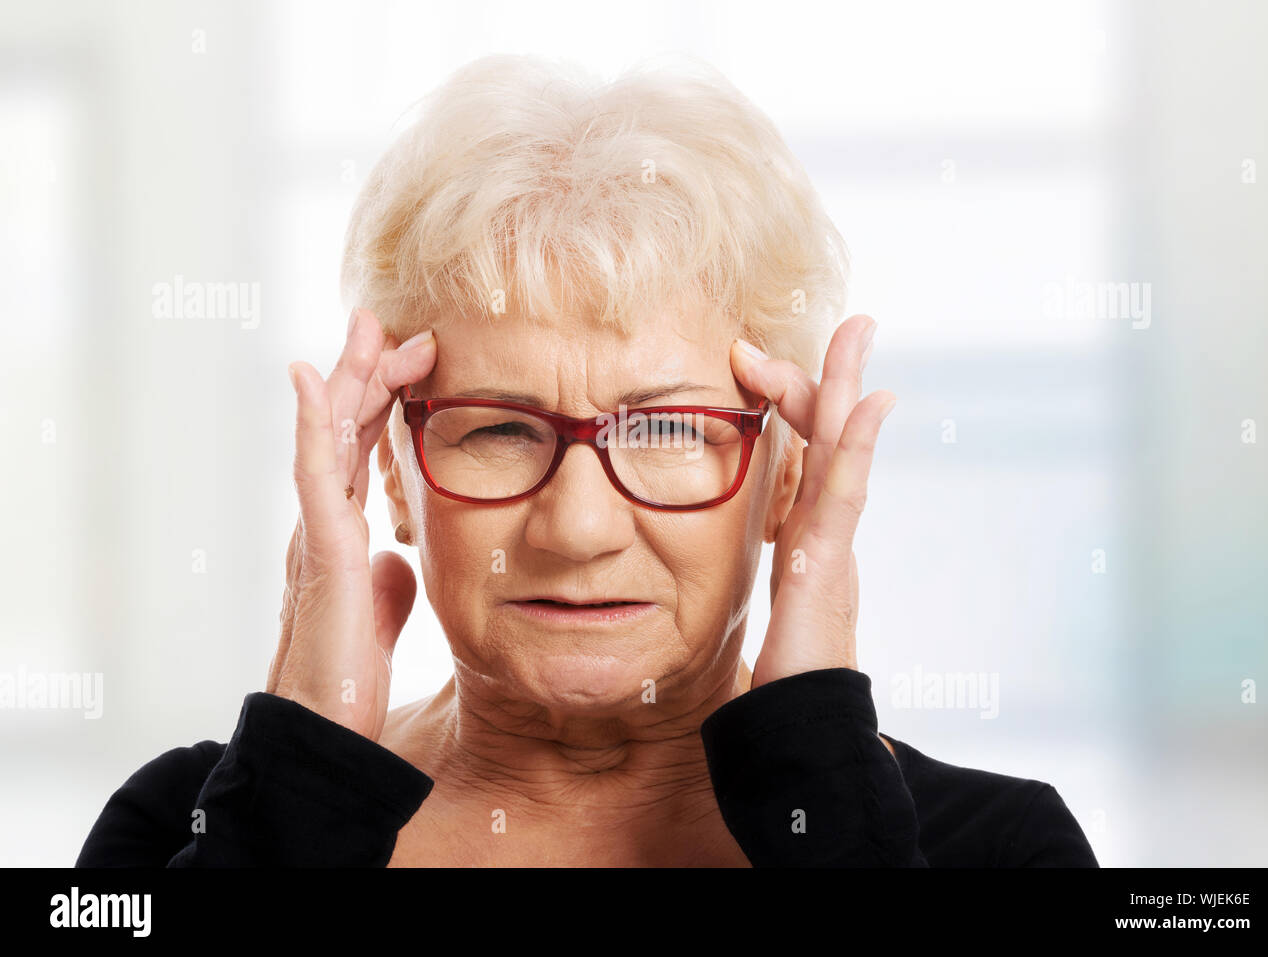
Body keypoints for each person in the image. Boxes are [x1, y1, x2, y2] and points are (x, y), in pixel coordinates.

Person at [77, 53, 1097, 867]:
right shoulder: (188, 833)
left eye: (663, 431)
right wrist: (301, 771)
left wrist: (817, 778)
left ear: (787, 478)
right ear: (388, 473)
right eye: (499, 428)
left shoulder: (995, 849)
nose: (577, 528)